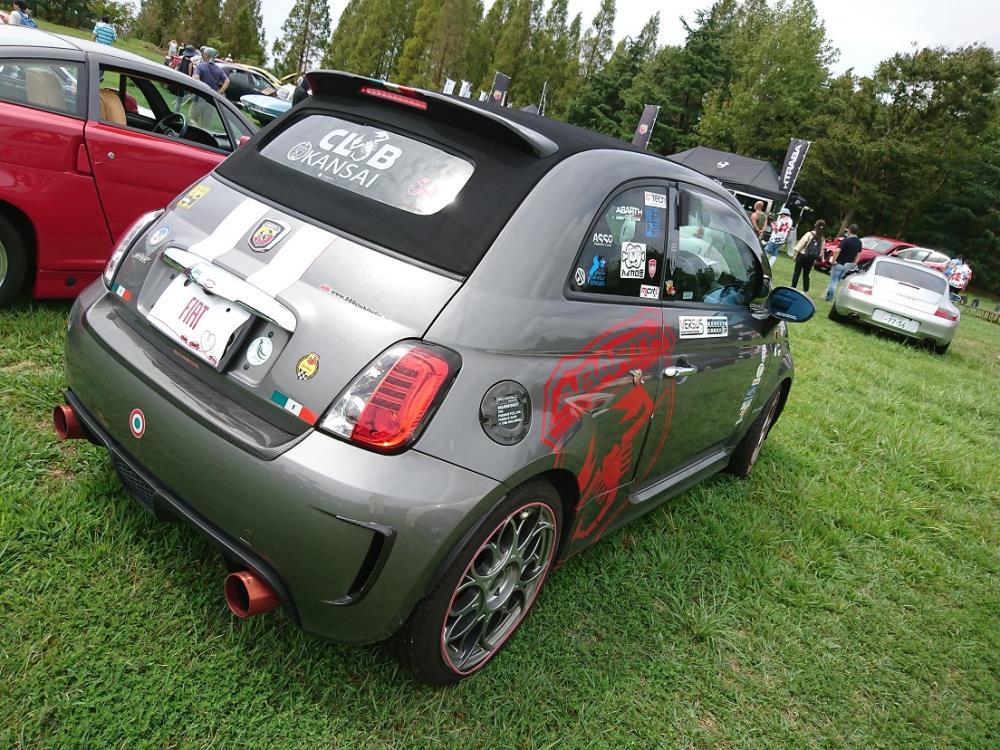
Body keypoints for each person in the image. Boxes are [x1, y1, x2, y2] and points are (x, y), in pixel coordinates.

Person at [824, 224, 862, 301]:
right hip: (847, 265)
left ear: (849, 230)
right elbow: (858, 255)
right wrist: (853, 264)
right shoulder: (859, 242)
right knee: (836, 281)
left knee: (833, 281)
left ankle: (829, 297)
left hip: (839, 263)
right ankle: (826, 294)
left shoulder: (846, 240)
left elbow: (837, 251)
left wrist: (833, 260)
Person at [791, 219, 825, 294]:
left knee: (797, 272)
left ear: (815, 225)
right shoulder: (822, 238)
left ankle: (793, 287)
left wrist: (795, 254)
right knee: (806, 275)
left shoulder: (809, 234)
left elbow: (801, 244)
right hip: (811, 258)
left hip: (803, 255)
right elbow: (821, 251)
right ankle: (805, 291)